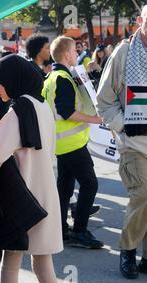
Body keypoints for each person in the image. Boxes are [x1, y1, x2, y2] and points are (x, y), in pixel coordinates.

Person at [0, 54, 62, 283]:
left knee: (10, 265)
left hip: (21, 197)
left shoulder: (18, 110)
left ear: (12, 80)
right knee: (43, 265)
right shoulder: (42, 106)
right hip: (46, 195)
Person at [96, 5, 147, 279]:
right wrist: (123, 128)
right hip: (134, 142)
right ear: (140, 21)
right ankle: (127, 250)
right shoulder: (123, 53)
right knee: (143, 195)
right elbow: (103, 100)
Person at [42, 36, 104, 249]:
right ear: (67, 54)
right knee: (90, 183)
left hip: (59, 143)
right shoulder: (63, 78)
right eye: (75, 52)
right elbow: (67, 111)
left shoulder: (51, 77)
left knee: (65, 187)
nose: (77, 54)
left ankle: (61, 229)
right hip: (72, 144)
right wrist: (94, 119)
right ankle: (79, 231)